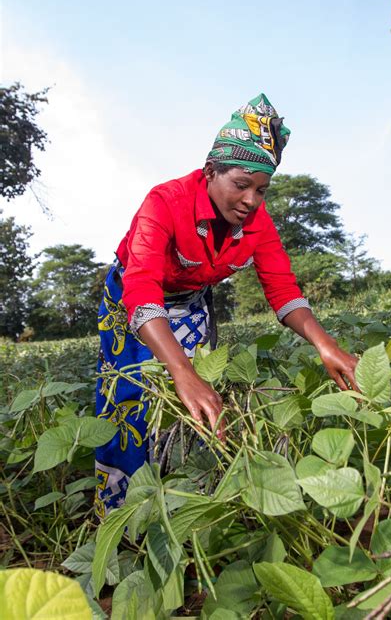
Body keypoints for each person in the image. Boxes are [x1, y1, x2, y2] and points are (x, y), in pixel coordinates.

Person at [95, 93, 359, 517]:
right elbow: (142, 289)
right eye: (241, 184)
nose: (251, 200)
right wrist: (180, 370)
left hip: (191, 301)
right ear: (211, 172)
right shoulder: (164, 202)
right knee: (132, 398)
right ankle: (119, 510)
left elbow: (282, 288)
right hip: (134, 300)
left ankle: (186, 500)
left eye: (261, 189)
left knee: (200, 400)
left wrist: (324, 343)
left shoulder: (258, 222)